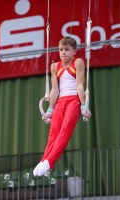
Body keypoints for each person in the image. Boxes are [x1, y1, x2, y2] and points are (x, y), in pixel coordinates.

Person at [33, 37, 91, 177]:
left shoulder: (78, 62)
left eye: (67, 49)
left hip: (74, 101)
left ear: (74, 51)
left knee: (65, 131)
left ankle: (49, 161)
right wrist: (49, 110)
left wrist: (84, 106)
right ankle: (44, 160)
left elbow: (79, 85)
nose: (63, 52)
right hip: (60, 102)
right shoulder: (55, 66)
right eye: (60, 49)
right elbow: (54, 90)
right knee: (53, 133)